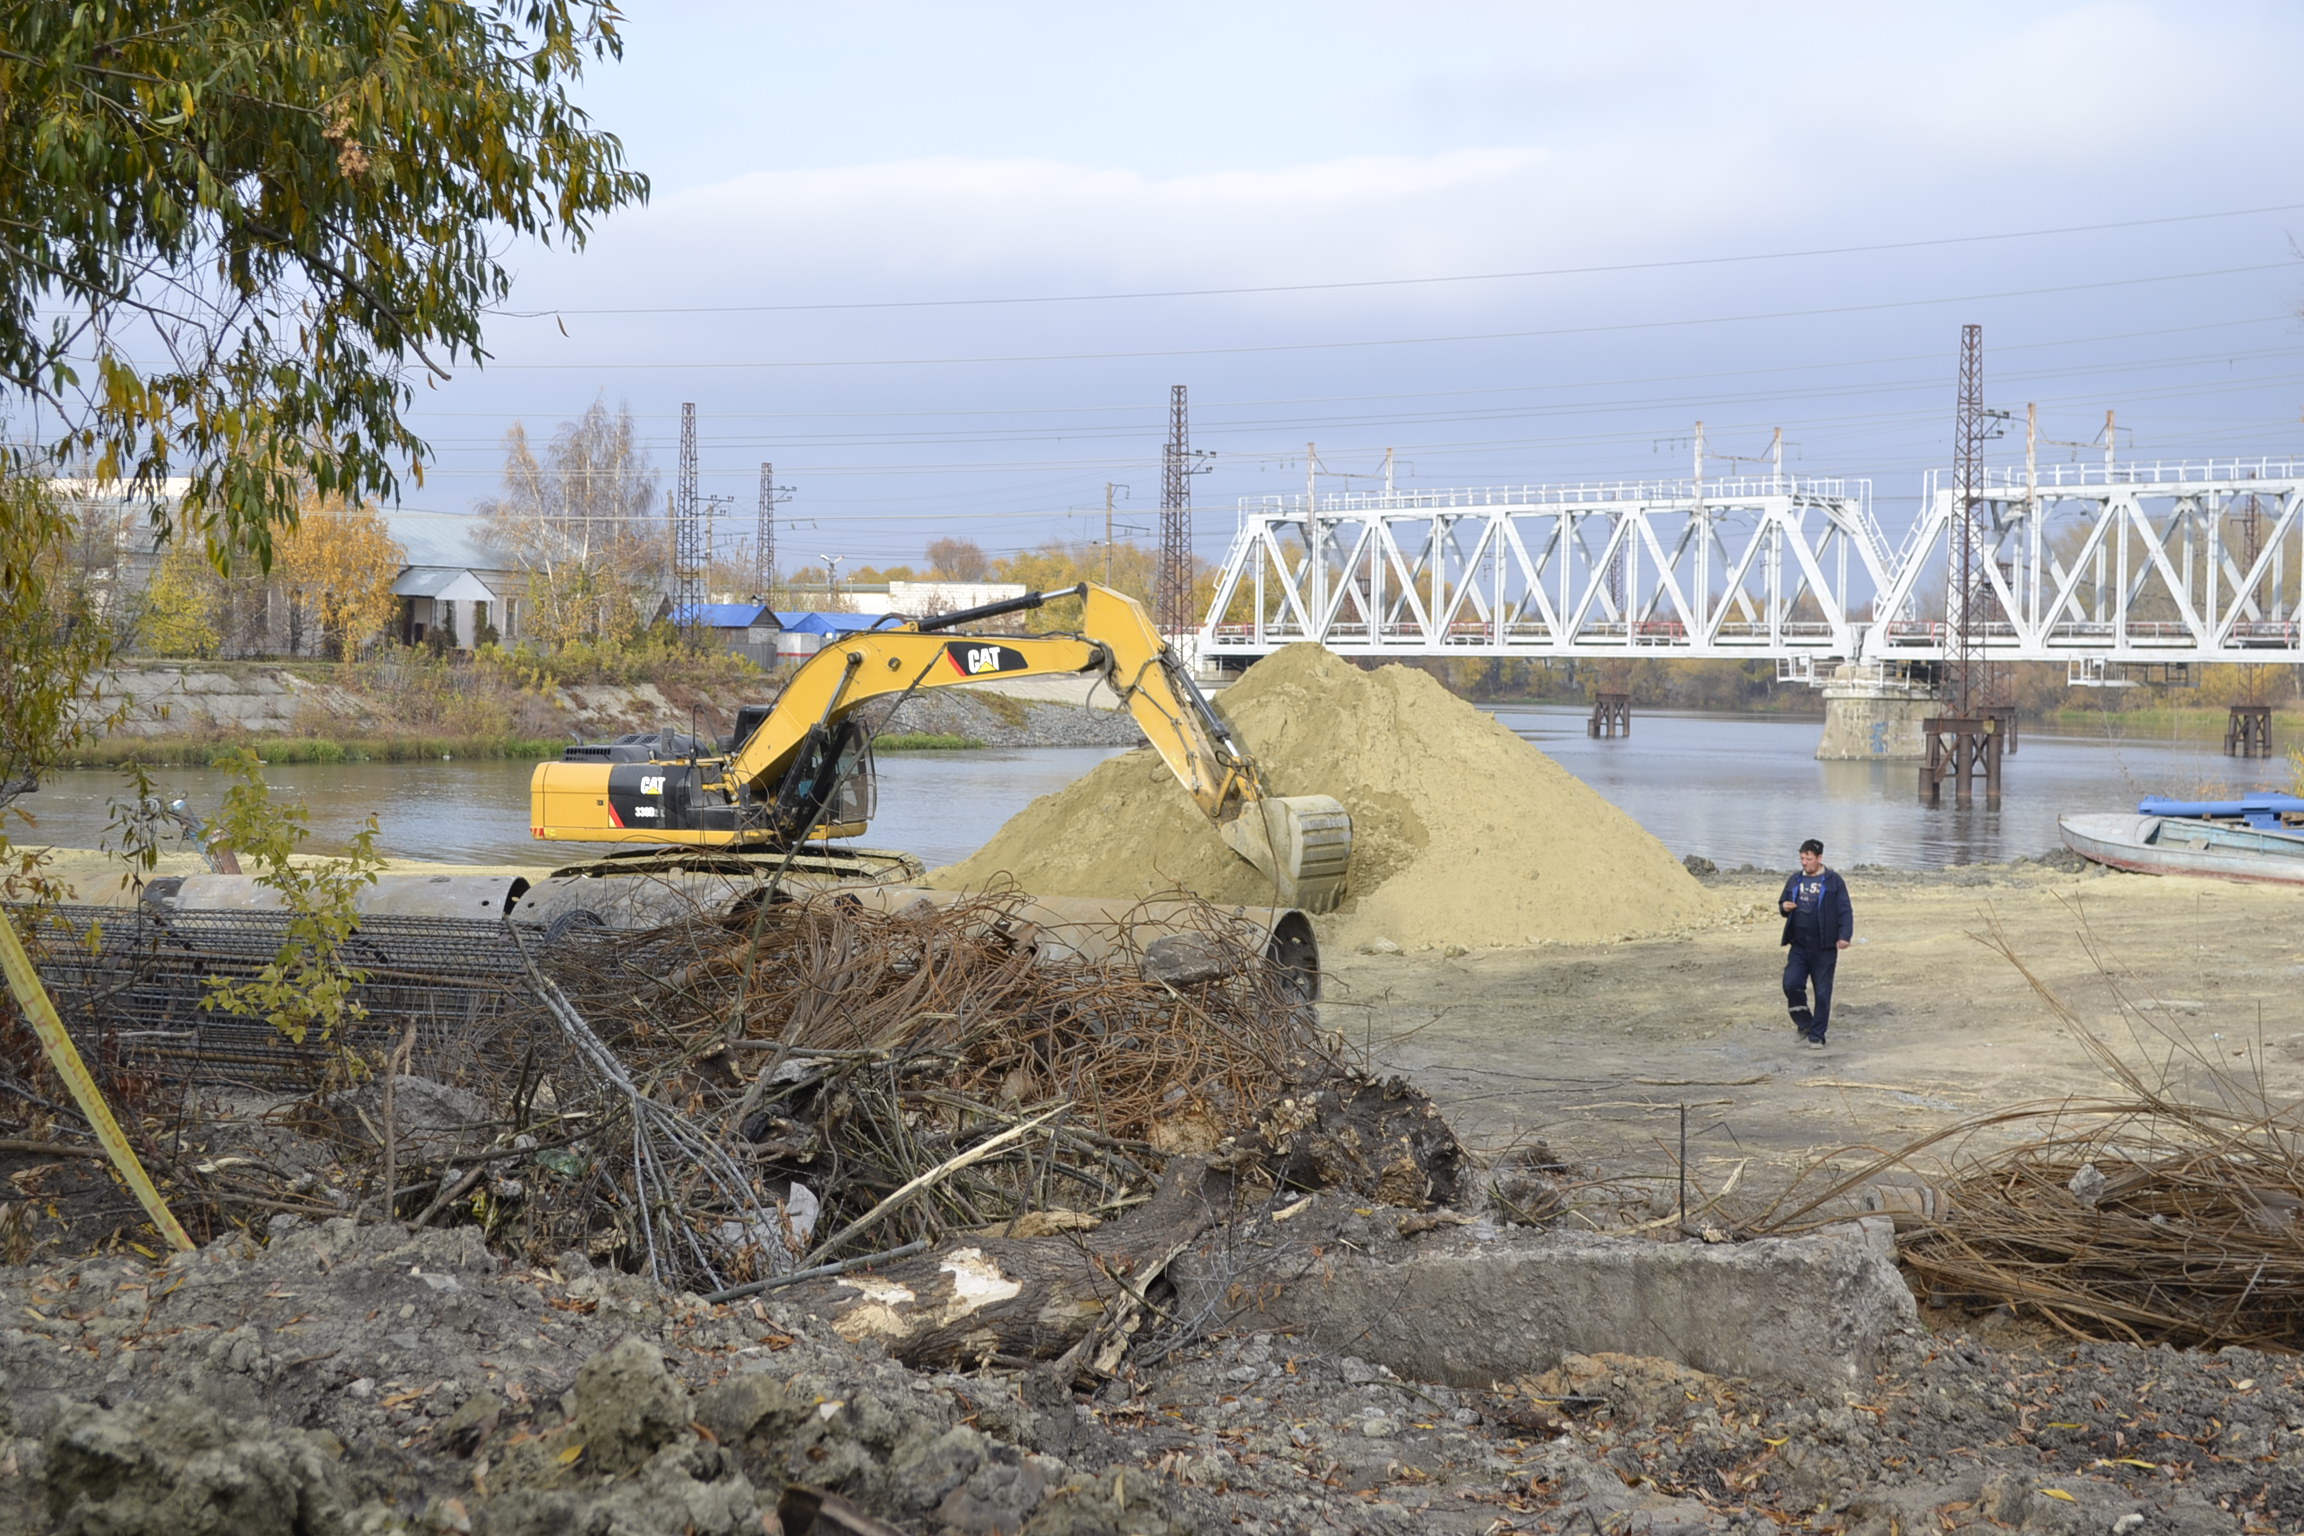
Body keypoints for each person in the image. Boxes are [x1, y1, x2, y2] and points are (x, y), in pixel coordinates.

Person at [1778, 838, 1853, 1049]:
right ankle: (1804, 1023)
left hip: (1824, 947)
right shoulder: (1794, 880)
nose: (1804, 863)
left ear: (1819, 858)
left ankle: (1817, 1035)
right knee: (1791, 984)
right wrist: (1784, 907)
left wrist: (1845, 936)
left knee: (1822, 992)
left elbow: (1845, 910)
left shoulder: (1833, 881)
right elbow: (1782, 904)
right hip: (1799, 946)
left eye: (1808, 859)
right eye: (1802, 858)